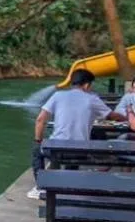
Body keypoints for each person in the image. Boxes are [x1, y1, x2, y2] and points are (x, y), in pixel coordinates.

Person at [27, 68, 111, 201]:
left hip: (56, 151)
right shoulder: (92, 99)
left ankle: (41, 187)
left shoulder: (58, 95)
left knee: (37, 151)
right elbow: (111, 115)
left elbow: (40, 120)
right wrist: (127, 117)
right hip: (80, 152)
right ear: (87, 84)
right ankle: (69, 181)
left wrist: (38, 141)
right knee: (80, 143)